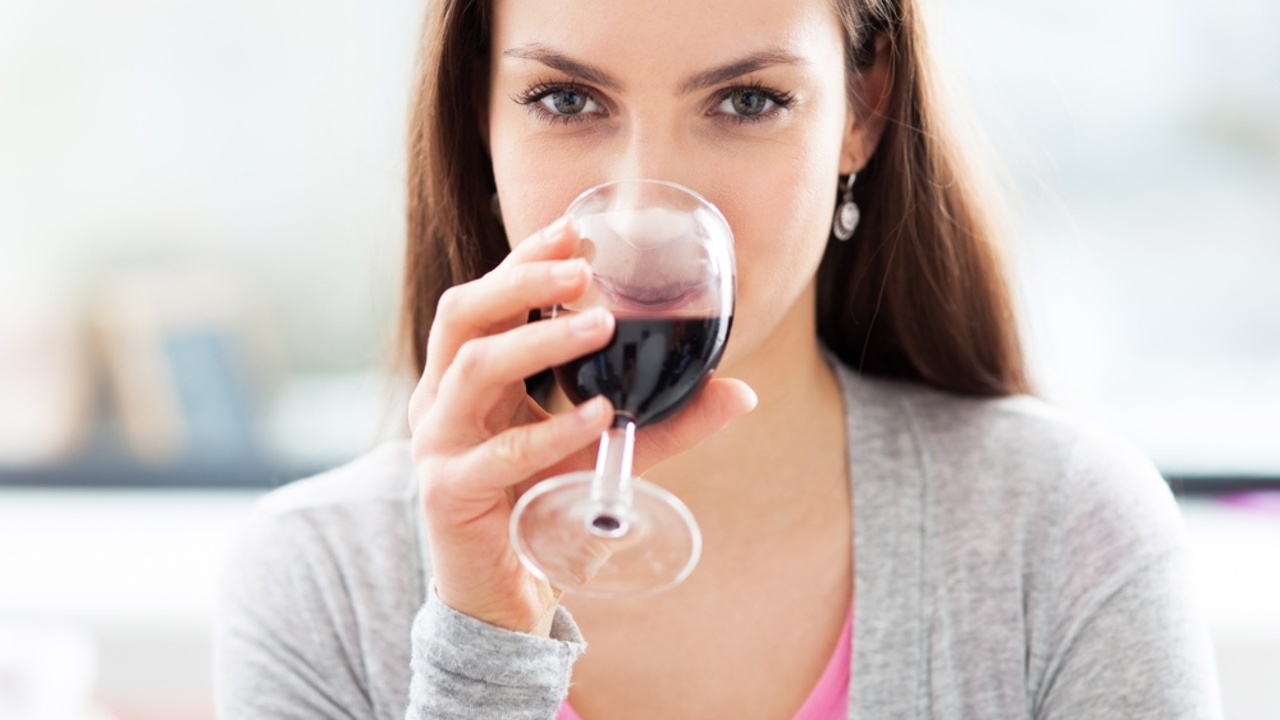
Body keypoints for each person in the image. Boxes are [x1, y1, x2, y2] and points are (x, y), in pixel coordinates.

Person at [213, 0, 1224, 716]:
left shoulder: (1062, 536)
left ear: (863, 110)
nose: (640, 213)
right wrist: (483, 647)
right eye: (566, 100)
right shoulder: (320, 585)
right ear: (479, 114)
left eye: (744, 101)